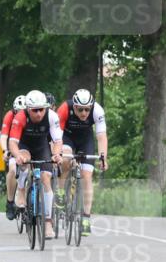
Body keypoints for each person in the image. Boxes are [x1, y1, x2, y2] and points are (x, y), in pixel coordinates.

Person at [8, 89, 63, 239]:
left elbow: (57, 141)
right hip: (25, 146)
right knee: (24, 161)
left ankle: (48, 222)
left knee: (46, 178)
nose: (39, 114)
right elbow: (12, 142)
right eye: (35, 110)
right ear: (28, 109)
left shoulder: (52, 116)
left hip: (42, 146)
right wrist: (17, 155)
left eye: (41, 110)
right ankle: (21, 189)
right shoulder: (20, 117)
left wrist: (57, 154)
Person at [57, 88, 108, 236]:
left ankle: (86, 218)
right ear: (74, 106)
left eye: (87, 109)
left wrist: (103, 156)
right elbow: (57, 137)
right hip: (66, 138)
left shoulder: (97, 110)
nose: (84, 113)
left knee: (87, 176)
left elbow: (101, 136)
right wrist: (58, 155)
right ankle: (60, 191)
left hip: (85, 140)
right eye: (80, 110)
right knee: (66, 159)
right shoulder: (65, 108)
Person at [0, 94, 27, 219]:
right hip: (14, 143)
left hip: (27, 142)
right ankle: (10, 202)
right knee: (12, 169)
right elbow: (4, 136)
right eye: (17, 112)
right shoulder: (9, 116)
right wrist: (5, 150)